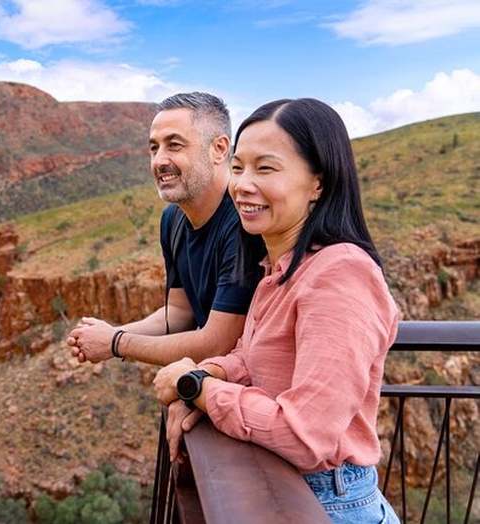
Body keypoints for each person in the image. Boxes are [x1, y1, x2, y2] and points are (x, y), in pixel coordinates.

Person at [153, 98, 400, 523]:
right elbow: (247, 359)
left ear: (318, 182)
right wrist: (205, 374)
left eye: (265, 168)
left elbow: (306, 435)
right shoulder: (281, 270)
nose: (243, 185)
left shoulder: (340, 276)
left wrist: (199, 391)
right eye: (238, 167)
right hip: (290, 488)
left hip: (327, 504)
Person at [67, 92, 257, 366]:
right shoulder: (173, 220)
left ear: (219, 149)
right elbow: (180, 313)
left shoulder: (244, 222)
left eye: (175, 145)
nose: (159, 161)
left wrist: (115, 342)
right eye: (154, 148)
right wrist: (108, 333)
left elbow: (218, 343)